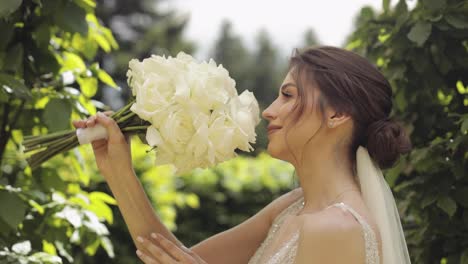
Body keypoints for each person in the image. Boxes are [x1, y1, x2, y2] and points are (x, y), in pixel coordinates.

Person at [73, 46, 412, 264]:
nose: (269, 111)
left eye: (288, 96)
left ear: (337, 114)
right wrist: (118, 170)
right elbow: (173, 258)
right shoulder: (293, 206)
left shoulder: (336, 229)